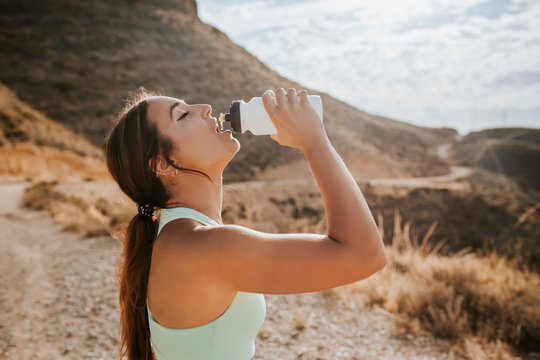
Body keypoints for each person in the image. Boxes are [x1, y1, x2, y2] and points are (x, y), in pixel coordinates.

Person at [105, 87, 387, 360]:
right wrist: (314, 141)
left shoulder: (183, 236)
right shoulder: (200, 246)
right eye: (182, 115)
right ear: (163, 164)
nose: (204, 108)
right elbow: (364, 254)